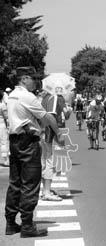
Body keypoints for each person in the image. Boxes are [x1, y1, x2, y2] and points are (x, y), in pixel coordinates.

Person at [5, 66, 63, 238]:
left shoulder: (12, 95)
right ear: (24, 79)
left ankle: (10, 223)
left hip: (15, 141)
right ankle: (27, 225)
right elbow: (48, 117)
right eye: (32, 78)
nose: (35, 82)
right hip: (28, 143)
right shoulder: (27, 96)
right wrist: (58, 134)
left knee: (15, 183)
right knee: (30, 184)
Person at [40, 89, 70, 201]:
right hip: (49, 133)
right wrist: (58, 133)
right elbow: (50, 116)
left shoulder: (45, 97)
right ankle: (47, 192)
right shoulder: (54, 97)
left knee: (45, 160)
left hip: (43, 132)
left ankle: (46, 189)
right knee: (50, 161)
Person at [0, 91, 9, 166]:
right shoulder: (2, 105)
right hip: (2, 124)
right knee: (4, 142)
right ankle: (6, 160)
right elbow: (6, 116)